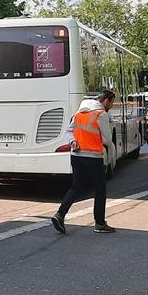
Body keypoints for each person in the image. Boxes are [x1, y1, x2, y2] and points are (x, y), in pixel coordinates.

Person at [51, 90, 117, 235]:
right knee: (100, 189)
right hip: (93, 157)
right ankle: (99, 223)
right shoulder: (101, 115)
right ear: (105, 101)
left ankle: (59, 215)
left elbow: (69, 132)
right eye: (111, 103)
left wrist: (73, 141)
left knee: (76, 187)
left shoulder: (78, 114)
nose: (111, 106)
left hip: (76, 155)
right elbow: (106, 139)